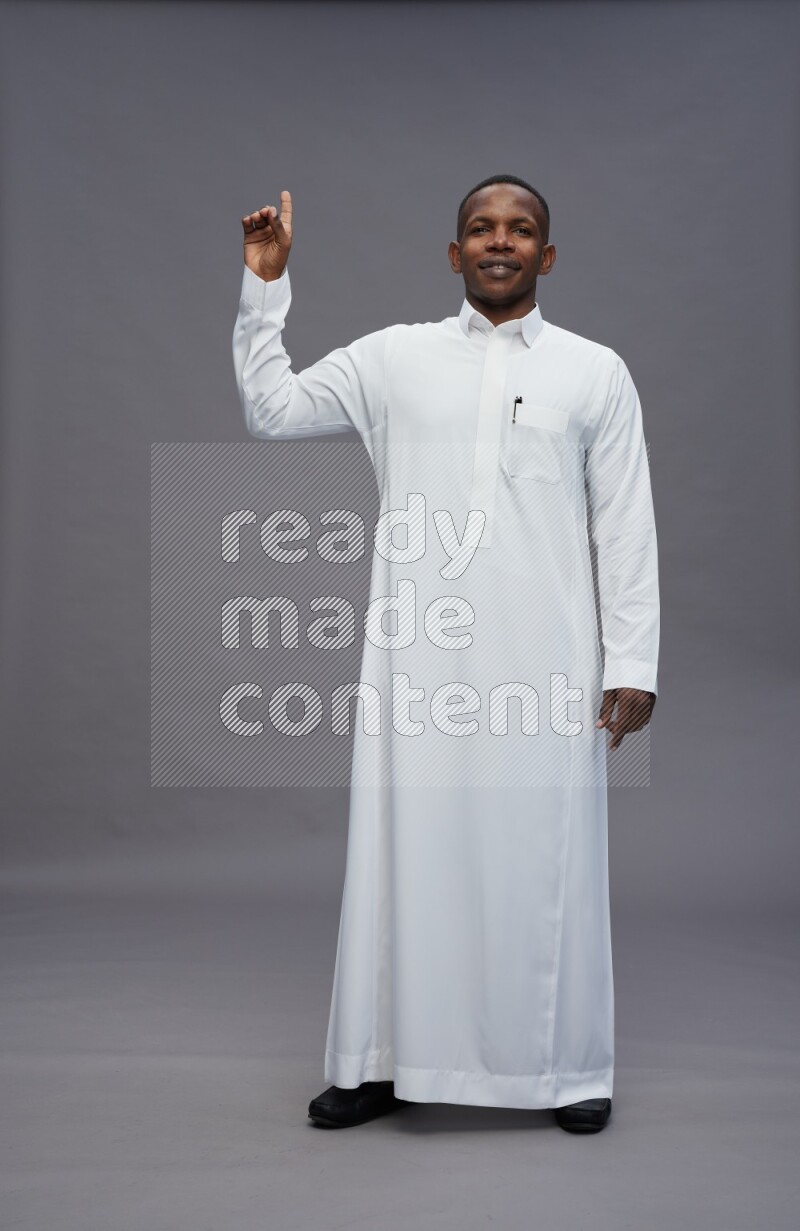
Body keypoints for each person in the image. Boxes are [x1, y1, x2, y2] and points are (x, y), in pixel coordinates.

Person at [232, 176, 659, 1134]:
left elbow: (624, 525)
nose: (498, 241)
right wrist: (266, 289)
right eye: (480, 228)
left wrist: (633, 660)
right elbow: (271, 409)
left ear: (546, 256)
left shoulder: (596, 372)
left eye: (520, 230)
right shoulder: (394, 359)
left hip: (545, 663)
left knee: (548, 858)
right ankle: (378, 1058)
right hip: (417, 660)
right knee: (401, 853)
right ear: (453, 251)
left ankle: (566, 1063)